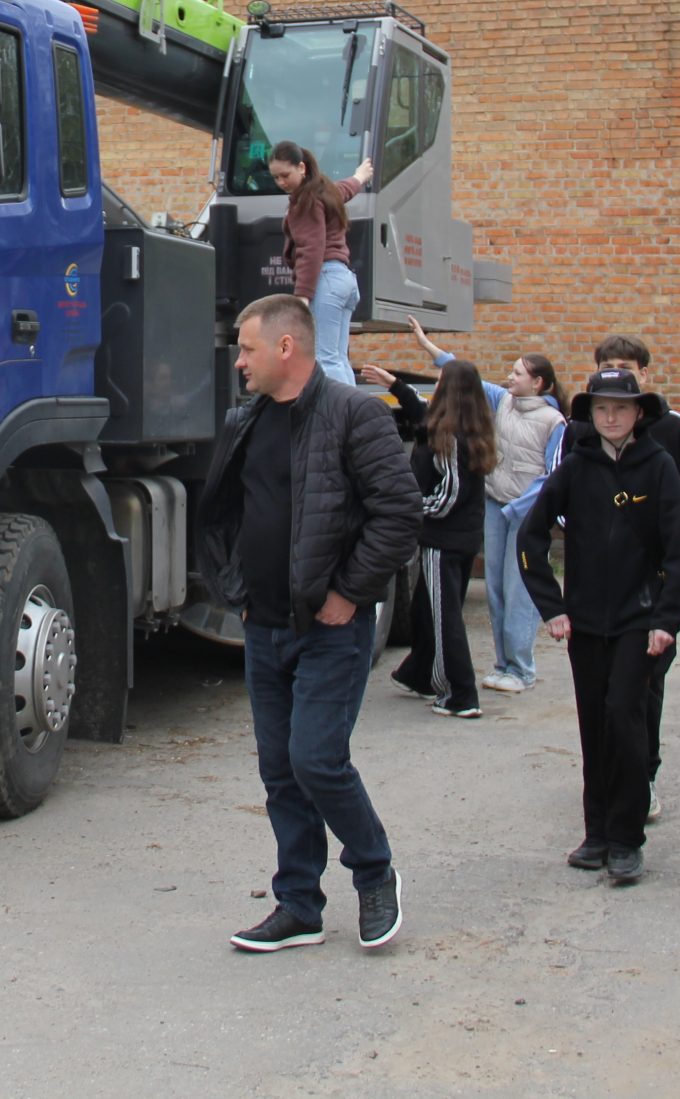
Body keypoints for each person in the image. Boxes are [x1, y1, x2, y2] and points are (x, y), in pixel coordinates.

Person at [195, 293, 419, 954]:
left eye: (247, 348)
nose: (239, 361)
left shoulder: (355, 415)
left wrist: (350, 592)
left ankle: (375, 873)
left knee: (316, 759)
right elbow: (222, 513)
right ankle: (299, 903)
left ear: (285, 348)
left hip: (330, 629)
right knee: (279, 771)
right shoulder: (247, 420)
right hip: (262, 626)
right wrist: (234, 587)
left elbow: (399, 513)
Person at [522, 366, 680, 886]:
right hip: (586, 623)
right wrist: (552, 607)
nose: (611, 416)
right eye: (601, 408)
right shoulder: (575, 468)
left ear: (639, 413)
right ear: (589, 415)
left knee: (625, 718)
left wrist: (668, 619)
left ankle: (626, 838)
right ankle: (596, 832)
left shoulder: (659, 466)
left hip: (640, 623)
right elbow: (530, 537)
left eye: (621, 407)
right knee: (593, 723)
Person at [407, 318, 564, 694]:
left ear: (539, 382)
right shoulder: (503, 402)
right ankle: (502, 663)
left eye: (518, 373)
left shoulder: (554, 420)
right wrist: (426, 344)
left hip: (524, 515)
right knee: (493, 587)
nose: (510, 377)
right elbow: (462, 373)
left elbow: (553, 474)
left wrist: (520, 508)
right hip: (496, 509)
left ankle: (521, 668)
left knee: (518, 587)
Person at [588, 335, 680, 821]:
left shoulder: (675, 432)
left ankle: (644, 774)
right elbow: (562, 501)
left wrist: (662, 539)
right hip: (600, 588)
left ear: (645, 374)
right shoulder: (582, 431)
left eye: (627, 367)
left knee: (644, 687)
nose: (619, 373)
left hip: (656, 585)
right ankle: (607, 778)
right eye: (608, 366)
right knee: (603, 692)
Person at [361, 359, 496, 717]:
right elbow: (419, 410)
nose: (433, 389)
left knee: (443, 617)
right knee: (426, 607)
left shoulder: (450, 439)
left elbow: (448, 496)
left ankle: (459, 695)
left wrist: (411, 505)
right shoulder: (464, 426)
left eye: (440, 383)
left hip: (443, 542)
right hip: (459, 539)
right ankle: (420, 674)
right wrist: (393, 383)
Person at [266, 141, 373, 385]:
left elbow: (311, 248)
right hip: (344, 280)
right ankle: (352, 415)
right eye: (275, 178)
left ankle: (341, 419)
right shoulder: (323, 190)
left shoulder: (304, 202)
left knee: (324, 359)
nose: (281, 182)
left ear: (301, 167)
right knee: (338, 358)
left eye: (285, 175)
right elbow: (345, 189)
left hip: (325, 280)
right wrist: (360, 177)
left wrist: (302, 296)